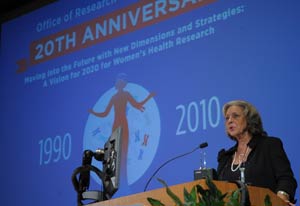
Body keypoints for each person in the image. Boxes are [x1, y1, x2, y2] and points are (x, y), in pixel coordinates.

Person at [217, 100, 297, 205]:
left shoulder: (269, 145)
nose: (229, 121)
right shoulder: (225, 158)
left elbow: (286, 179)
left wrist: (280, 199)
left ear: (249, 119)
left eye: (235, 116)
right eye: (227, 118)